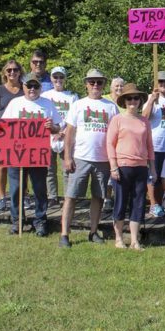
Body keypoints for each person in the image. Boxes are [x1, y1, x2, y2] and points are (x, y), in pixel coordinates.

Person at [0, 72, 63, 236]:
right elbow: (3, 127)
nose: (32, 89)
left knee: (39, 189)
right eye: (29, 86)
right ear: (23, 86)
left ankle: (40, 221)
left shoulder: (47, 104)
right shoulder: (15, 103)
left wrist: (51, 127)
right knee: (16, 188)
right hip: (16, 153)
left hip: (38, 154)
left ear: (40, 87)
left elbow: (58, 127)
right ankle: (17, 221)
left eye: (35, 86)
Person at [59, 69, 120, 248]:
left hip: (103, 159)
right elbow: (70, 133)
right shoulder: (78, 104)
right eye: (92, 82)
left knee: (98, 196)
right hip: (80, 158)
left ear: (103, 85)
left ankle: (93, 231)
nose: (95, 85)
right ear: (86, 84)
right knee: (71, 196)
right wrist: (67, 157)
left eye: (99, 82)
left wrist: (113, 160)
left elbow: (115, 134)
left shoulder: (110, 106)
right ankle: (64, 234)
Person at [107, 84, 155, 250]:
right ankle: (119, 238)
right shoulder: (117, 119)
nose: (133, 101)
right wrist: (113, 166)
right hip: (122, 166)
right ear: (124, 101)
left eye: (136, 98)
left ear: (141, 101)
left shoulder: (144, 121)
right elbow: (110, 143)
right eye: (129, 98)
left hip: (141, 167)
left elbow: (149, 146)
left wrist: (152, 168)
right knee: (120, 202)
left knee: (138, 203)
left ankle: (134, 240)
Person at [141, 71, 165, 219]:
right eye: (161, 82)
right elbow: (144, 117)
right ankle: (153, 205)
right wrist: (151, 100)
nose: (164, 84)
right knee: (152, 177)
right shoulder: (152, 99)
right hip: (155, 145)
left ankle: (162, 203)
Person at [0, 60, 24, 211]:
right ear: (5, 73)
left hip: (23, 132)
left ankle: (24, 195)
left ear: (20, 72)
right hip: (4, 132)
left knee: (23, 165)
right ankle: (2, 197)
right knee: (2, 166)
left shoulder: (25, 88)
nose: (12, 73)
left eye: (15, 70)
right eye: (9, 70)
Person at [42, 66, 79, 208]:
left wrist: (63, 132)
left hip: (66, 135)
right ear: (51, 78)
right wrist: (54, 130)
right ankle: (52, 196)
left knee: (67, 168)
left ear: (65, 78)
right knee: (49, 169)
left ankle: (67, 196)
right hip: (49, 135)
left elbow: (74, 117)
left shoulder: (72, 96)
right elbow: (44, 115)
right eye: (55, 77)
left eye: (61, 77)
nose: (58, 80)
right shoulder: (45, 95)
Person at [101, 76, 126, 212]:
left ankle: (119, 198)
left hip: (121, 142)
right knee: (107, 170)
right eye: (116, 86)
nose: (119, 88)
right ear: (111, 87)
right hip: (105, 140)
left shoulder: (125, 101)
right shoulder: (105, 100)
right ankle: (107, 198)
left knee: (118, 171)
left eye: (121, 86)